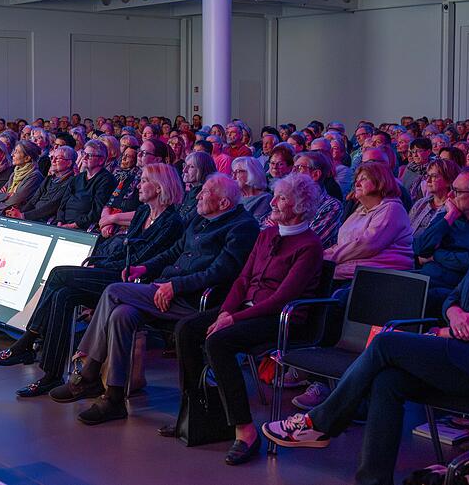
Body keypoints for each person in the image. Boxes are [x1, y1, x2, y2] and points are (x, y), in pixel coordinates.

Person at [262, 176, 469, 485]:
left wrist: (445, 332)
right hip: (465, 354)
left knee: (387, 343)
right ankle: (372, 479)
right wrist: (454, 313)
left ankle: (321, 421)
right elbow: (453, 296)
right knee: (388, 380)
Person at [47, 174, 259, 425]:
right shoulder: (200, 219)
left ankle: (90, 371)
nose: (199, 195)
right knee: (121, 315)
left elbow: (221, 272)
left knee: (114, 291)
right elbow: (174, 252)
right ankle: (114, 396)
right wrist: (143, 269)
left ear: (223, 203)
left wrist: (175, 286)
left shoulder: (242, 227)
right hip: (166, 290)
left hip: (196, 301)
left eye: (206, 192)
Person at [0, 164, 186, 398]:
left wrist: (101, 265)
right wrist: (102, 263)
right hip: (116, 271)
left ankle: (27, 341)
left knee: (60, 274)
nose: (138, 186)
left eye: (144, 181)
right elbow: (124, 250)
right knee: (63, 295)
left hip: (134, 283)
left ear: (160, 186)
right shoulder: (143, 213)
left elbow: (142, 259)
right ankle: (51, 375)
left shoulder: (171, 222)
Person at [169, 173, 324, 465]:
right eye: (275, 195)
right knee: (186, 328)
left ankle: (245, 430)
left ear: (300, 207)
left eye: (282, 198)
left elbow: (280, 299)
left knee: (218, 342)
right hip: (245, 309)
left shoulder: (309, 246)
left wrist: (232, 318)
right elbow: (242, 280)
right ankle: (198, 413)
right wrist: (227, 311)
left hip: (278, 318)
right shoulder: (267, 234)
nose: (273, 202)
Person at [413, 168, 469, 316]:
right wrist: (449, 217)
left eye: (456, 191)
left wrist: (435, 256)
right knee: (383, 284)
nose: (450, 195)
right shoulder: (449, 215)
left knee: (412, 296)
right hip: (424, 277)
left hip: (454, 288)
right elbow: (420, 248)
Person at [325, 162, 413, 283]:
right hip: (347, 273)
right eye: (356, 179)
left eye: (364, 179)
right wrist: (318, 255)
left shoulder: (392, 209)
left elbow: (367, 245)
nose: (357, 183)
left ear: (380, 182)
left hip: (379, 280)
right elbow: (341, 244)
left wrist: (327, 259)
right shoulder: (359, 211)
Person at [54, 140, 115, 230]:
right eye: (84, 153)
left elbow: (96, 211)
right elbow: (63, 204)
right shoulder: (77, 178)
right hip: (63, 224)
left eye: (89, 155)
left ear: (101, 160)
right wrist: (60, 222)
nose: (84, 158)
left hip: (82, 228)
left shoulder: (106, 180)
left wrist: (73, 226)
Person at [7, 146, 77, 222]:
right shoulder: (49, 179)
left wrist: (23, 216)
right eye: (52, 157)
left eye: (57, 159)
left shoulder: (71, 182)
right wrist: (19, 213)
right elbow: (33, 200)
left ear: (69, 163)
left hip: (44, 221)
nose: (53, 161)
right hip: (30, 217)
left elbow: (51, 207)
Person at [407, 158, 461, 236]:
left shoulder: (453, 210)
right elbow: (406, 231)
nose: (428, 180)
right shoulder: (420, 203)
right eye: (427, 175)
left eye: (434, 176)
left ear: (449, 180)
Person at [178, 151, 216, 224]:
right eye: (185, 165)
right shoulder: (189, 191)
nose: (184, 170)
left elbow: (184, 222)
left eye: (191, 167)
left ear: (203, 170)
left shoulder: (207, 195)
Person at [232, 156, 272, 223]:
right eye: (233, 172)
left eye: (238, 172)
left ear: (251, 173)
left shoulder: (264, 198)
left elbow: (254, 224)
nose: (233, 177)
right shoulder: (235, 196)